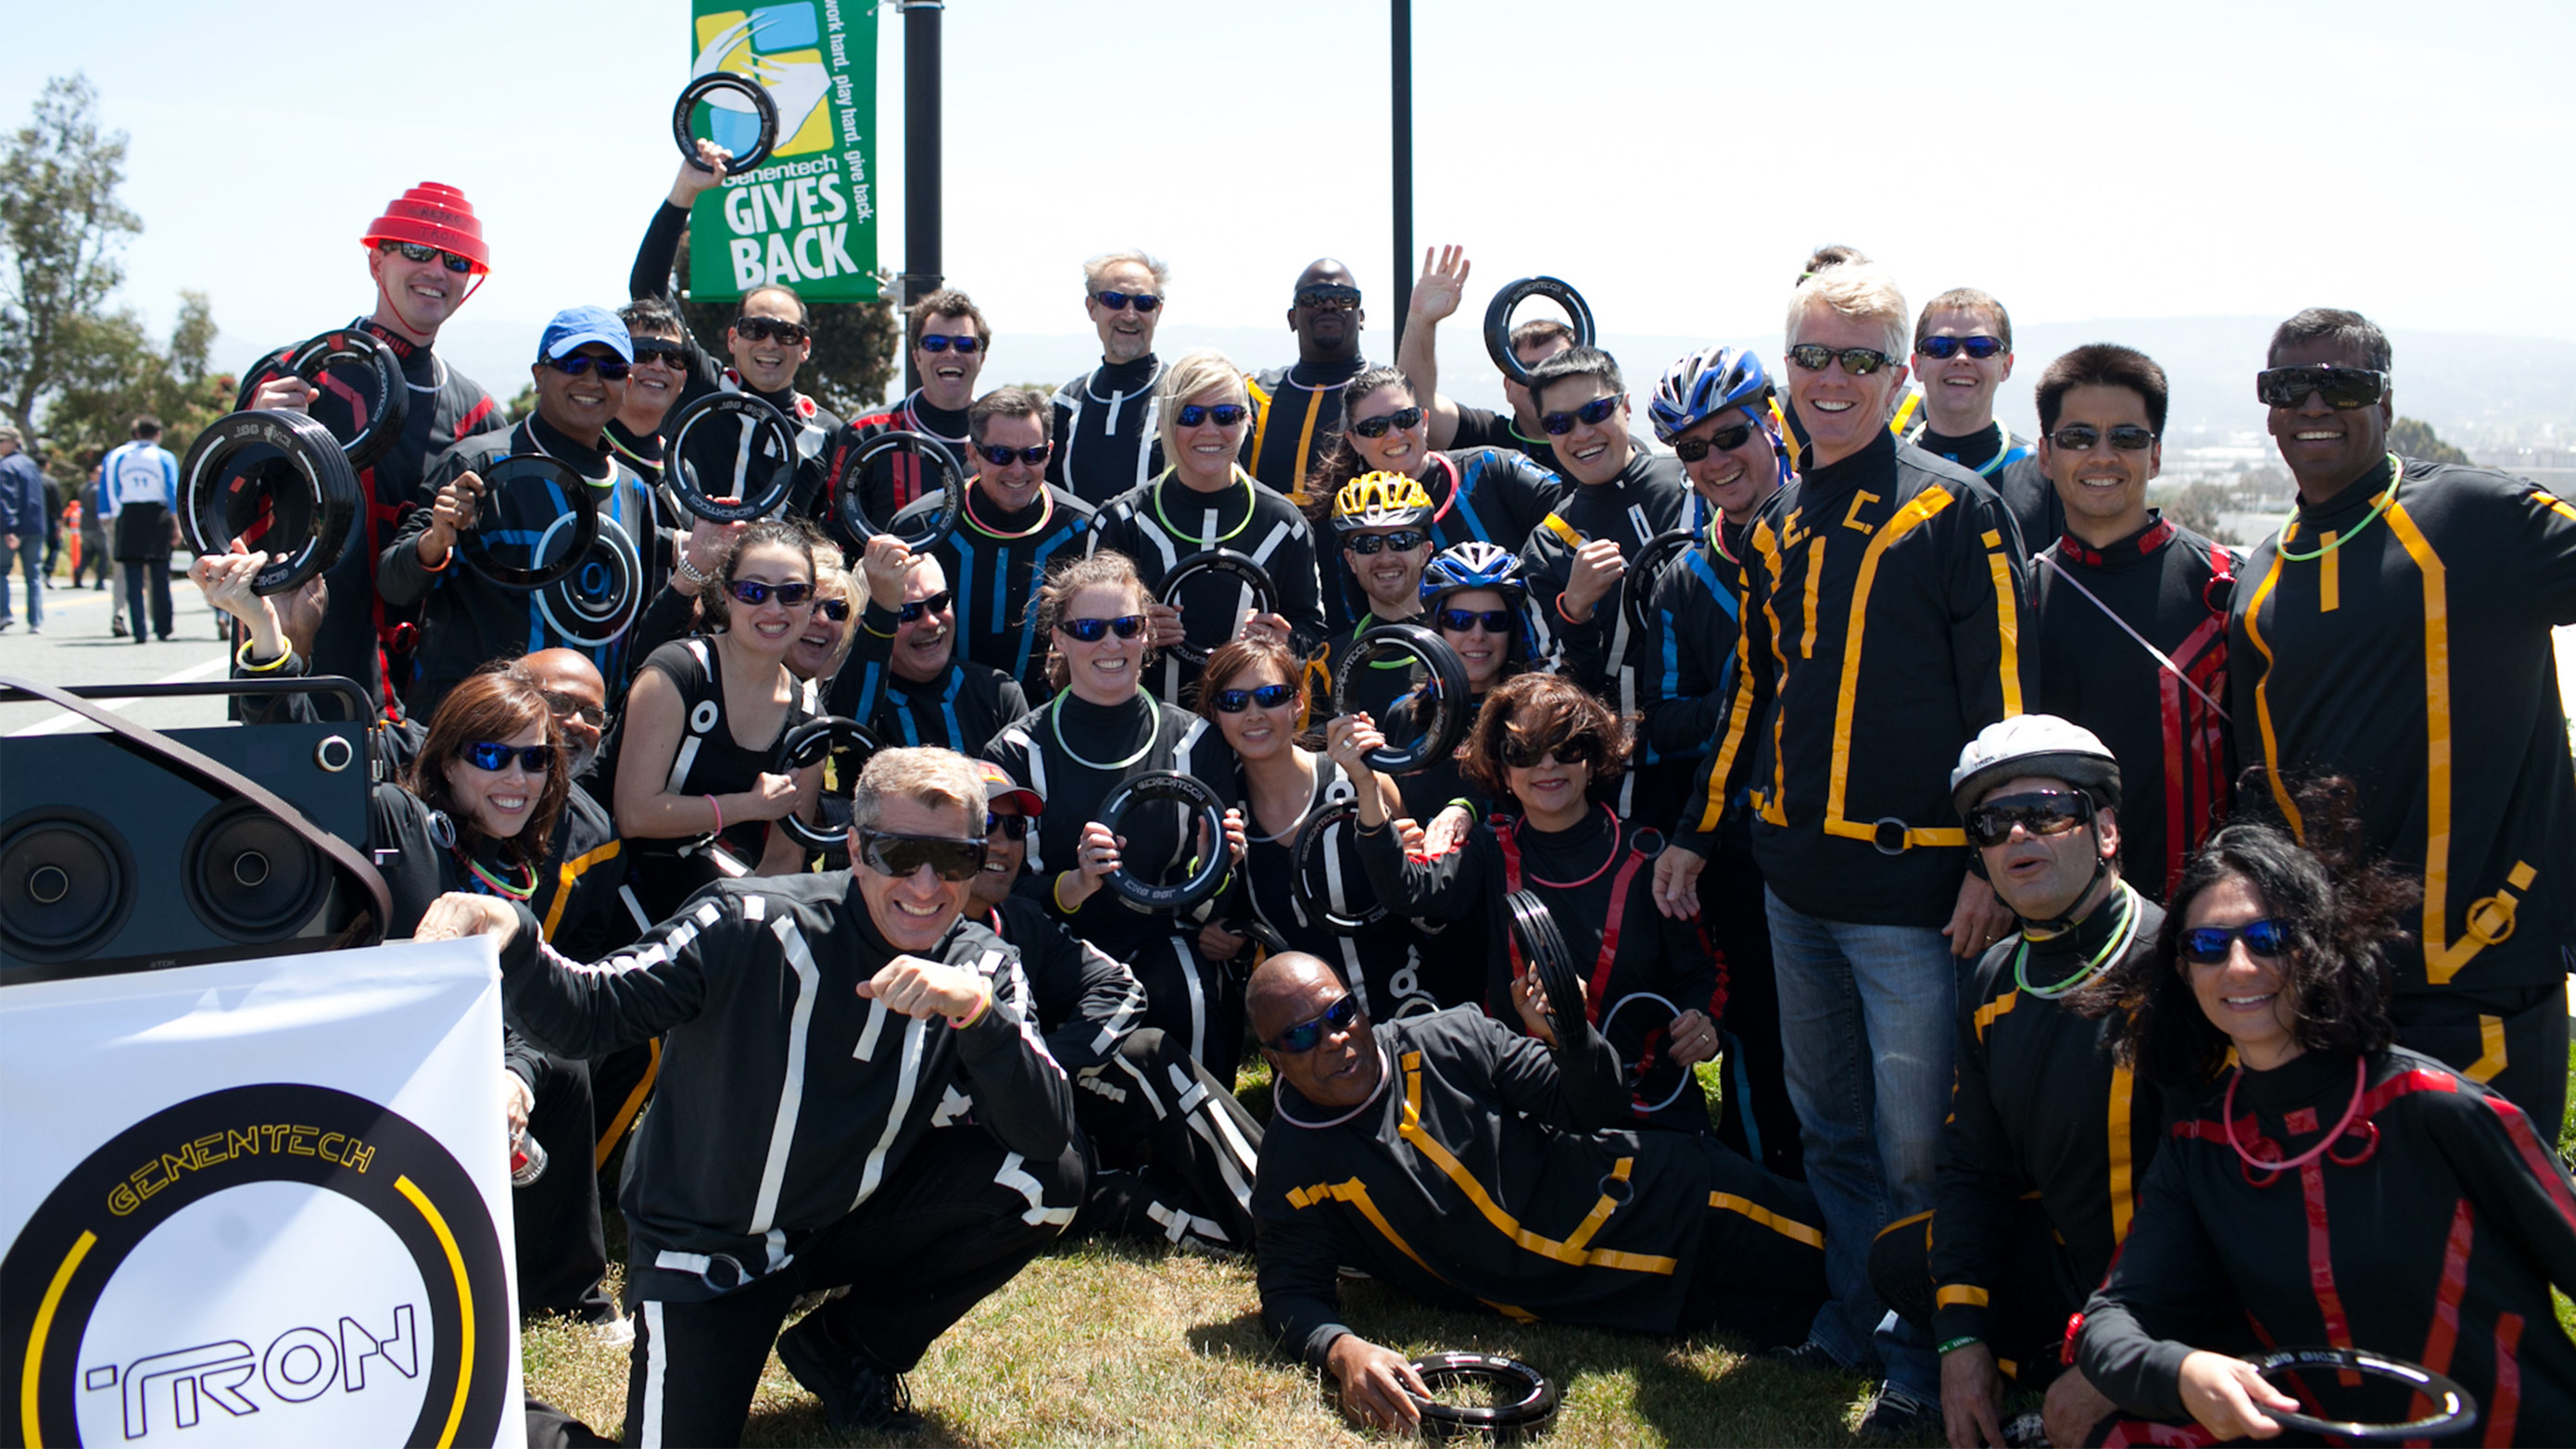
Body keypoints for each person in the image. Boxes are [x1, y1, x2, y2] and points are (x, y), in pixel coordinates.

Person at [414, 746, 1085, 1443]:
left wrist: (978, 1017)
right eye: (898, 852)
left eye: (952, 861)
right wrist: (513, 932)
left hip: (835, 1222)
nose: (924, 884)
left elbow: (1045, 1137)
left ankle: (847, 1347)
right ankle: (498, 1405)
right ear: (855, 848)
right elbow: (593, 1013)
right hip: (710, 1250)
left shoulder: (981, 965)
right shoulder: (750, 922)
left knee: (1048, 1181)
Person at [1656, 262, 2030, 1434]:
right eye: (1811, 358)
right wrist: (1692, 836)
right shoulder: (1773, 529)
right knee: (1831, 1129)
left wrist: (1989, 860)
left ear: (1897, 371)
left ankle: (1930, 1348)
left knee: (1922, 1146)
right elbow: (1749, 703)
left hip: (1913, 894)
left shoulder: (1952, 509)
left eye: (1858, 359)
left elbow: (2006, 703)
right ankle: (1853, 1314)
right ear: (1785, 374)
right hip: (1789, 886)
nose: (1832, 380)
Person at [2074, 811, 2576, 1445]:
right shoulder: (2201, 1145)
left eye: (2270, 938)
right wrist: (2182, 1370)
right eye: (2207, 945)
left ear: (2318, 947)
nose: (2238, 966)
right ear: (2183, 970)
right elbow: (2112, 1320)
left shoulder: (2434, 1106)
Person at [2228, 307, 2576, 1138]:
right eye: (2288, 386)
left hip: (2481, 973)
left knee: (2487, 1246)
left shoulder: (2475, 516)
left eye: (2340, 384)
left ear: (2385, 399)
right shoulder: (2264, 572)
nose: (2313, 405)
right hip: (2330, 979)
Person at [1249, 951, 1826, 1432]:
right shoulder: (1292, 1161)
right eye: (1301, 1036)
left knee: (1844, 1258)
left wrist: (1569, 1036)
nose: (1333, 1039)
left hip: (1677, 1203)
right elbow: (1289, 1291)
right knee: (1804, 1325)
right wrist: (1343, 1349)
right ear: (1273, 1059)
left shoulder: (1449, 1039)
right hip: (1616, 1298)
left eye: (1341, 1012)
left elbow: (1597, 1109)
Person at [1865, 717, 2159, 1447]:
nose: (2018, 837)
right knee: (1905, 1261)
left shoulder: (2184, 965)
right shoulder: (1995, 979)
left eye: (2047, 812)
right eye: (1994, 824)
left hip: (2192, 1291)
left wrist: (2118, 1363)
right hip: (2078, 1272)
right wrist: (1959, 1348)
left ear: (2107, 830)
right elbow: (1974, 1172)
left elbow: (2226, 1198)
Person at [1339, 672, 1721, 1132]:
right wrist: (1365, 783)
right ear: (1500, 769)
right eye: (1523, 753)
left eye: (1566, 748)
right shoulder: (1490, 849)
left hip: (1644, 1107)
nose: (1547, 766)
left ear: (1594, 756)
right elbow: (1407, 890)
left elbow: (1705, 971)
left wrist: (1705, 1020)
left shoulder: (1650, 859)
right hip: (1530, 1108)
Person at [963, 759, 1264, 1254]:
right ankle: (1288, 1223)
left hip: (1045, 1112)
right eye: (983, 825)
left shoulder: (1019, 917)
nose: (1001, 842)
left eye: (1015, 827)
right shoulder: (914, 929)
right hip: (968, 1146)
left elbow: (1120, 989)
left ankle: (1284, 1205)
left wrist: (1038, 1069)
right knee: (1117, 1195)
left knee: (1147, 1052)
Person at [981, 552, 1250, 1077]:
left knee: (1190, 993)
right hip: (1052, 945)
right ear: (1058, 639)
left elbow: (1216, 897)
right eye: (1088, 629)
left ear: (1148, 634)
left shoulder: (1196, 742)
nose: (1110, 644)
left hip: (1162, 936)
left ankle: (1199, 1148)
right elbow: (991, 885)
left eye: (1126, 627)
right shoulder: (1015, 752)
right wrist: (1074, 885)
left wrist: (1215, 865)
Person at [1636, 346, 1800, 1179]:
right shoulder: (1684, 581)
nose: (1714, 461)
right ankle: (1771, 1202)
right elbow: (1661, 726)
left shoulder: (1837, 543)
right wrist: (1755, 681)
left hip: (1844, 837)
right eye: (1691, 450)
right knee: (1758, 1033)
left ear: (1773, 422)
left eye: (1730, 435)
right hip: (1737, 847)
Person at [246, 182, 499, 714]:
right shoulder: (293, 374)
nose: (435, 269)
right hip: (298, 666)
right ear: (376, 261)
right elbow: (216, 518)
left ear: (470, 281)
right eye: (415, 251)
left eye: (455, 260)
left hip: (431, 692)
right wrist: (256, 435)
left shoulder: (478, 412)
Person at [378, 307, 663, 716]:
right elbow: (394, 584)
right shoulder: (478, 463)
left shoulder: (636, 490)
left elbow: (633, 628)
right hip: (475, 742)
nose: (591, 379)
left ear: (628, 383)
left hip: (581, 746)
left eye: (611, 368)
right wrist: (435, 541)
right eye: (574, 362)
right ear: (539, 375)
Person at [2027, 344, 2235, 903]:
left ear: (2157, 455)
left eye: (2126, 438)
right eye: (2077, 438)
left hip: (2197, 926)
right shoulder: (2021, 599)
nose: (2101, 456)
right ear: (2046, 455)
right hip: (2055, 921)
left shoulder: (2225, 587)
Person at [1201, 636, 1461, 1019]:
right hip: (1312, 1037)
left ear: (1298, 703)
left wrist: (1410, 855)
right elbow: (1230, 917)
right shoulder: (1226, 814)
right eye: (1234, 702)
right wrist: (1219, 932)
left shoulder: (1357, 779)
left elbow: (1420, 894)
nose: (1253, 713)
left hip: (1408, 1003)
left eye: (1271, 695)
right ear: (1216, 714)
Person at [1512, 346, 1702, 821]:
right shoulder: (1549, 544)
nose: (1581, 434)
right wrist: (1573, 611)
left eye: (1595, 411)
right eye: (1559, 424)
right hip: (1624, 779)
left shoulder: (1696, 480)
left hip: (1729, 744)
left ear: (1627, 405)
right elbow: (1557, 690)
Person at [612, 520, 827, 921]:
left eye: (793, 593)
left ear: (812, 603)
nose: (774, 608)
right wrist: (747, 806)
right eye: (754, 591)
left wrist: (727, 941)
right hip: (617, 893)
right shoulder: (677, 672)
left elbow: (783, 860)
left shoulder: (809, 720)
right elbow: (634, 813)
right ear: (727, 597)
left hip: (717, 914)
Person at [1091, 349, 1327, 698]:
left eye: (1226, 415)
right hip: (1145, 725)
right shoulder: (1123, 520)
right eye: (1191, 415)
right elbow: (1087, 633)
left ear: (1248, 421)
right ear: (1166, 422)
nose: (1210, 430)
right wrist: (1134, 631)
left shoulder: (1284, 524)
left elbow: (1311, 630)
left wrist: (1283, 642)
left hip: (1250, 728)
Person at [631, 142, 843, 515]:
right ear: (733, 339)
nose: (770, 342)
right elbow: (648, 294)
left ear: (805, 347)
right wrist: (684, 193)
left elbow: (830, 527)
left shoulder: (827, 431)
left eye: (786, 333)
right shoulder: (703, 384)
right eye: (755, 329)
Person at [1300, 365, 1565, 628]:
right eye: (1373, 428)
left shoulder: (1491, 467)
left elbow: (1576, 513)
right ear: (1354, 441)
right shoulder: (1351, 519)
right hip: (1421, 664)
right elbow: (1352, 625)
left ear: (1424, 421)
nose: (1394, 434)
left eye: (1405, 419)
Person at [890, 385, 1099, 699]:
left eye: (1032, 454)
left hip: (1045, 722)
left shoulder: (1081, 529)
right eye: (1001, 455)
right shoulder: (922, 526)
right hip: (941, 718)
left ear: (1050, 453)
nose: (1017, 469)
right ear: (972, 454)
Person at [1395, 244, 1619, 474]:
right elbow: (1415, 406)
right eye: (1530, 369)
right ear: (1508, 386)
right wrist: (1421, 320)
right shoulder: (1485, 437)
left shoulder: (1609, 444)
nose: (1544, 379)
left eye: (1556, 365)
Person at [832, 534, 1030, 755]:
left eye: (939, 602)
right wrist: (882, 612)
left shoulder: (998, 694)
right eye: (908, 612)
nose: (930, 621)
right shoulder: (860, 700)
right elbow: (842, 739)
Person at [827, 289, 992, 541]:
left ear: (981, 357)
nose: (951, 353)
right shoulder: (865, 432)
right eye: (935, 344)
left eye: (965, 345)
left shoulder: (1004, 439)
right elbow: (835, 533)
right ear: (916, 357)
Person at [1904, 289, 2052, 551]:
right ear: (1917, 365)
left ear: (2006, 365)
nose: (1961, 359)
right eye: (1940, 347)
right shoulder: (1886, 472)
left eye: (1981, 348)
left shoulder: (2046, 477)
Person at [1244, 260, 1375, 498]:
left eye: (1344, 298)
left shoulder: (1386, 395)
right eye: (1312, 298)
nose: (1328, 305)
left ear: (1361, 317)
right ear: (1292, 319)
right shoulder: (1254, 396)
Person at [1049, 249, 1170, 507]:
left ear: (1158, 311)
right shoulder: (1067, 402)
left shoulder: (1181, 396)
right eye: (1114, 301)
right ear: (1092, 308)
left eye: (1144, 303)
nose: (1129, 315)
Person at [1307, 471, 1437, 707]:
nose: (1386, 557)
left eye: (1402, 541)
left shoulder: (1462, 643)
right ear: (1350, 559)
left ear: (1425, 552)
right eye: (1368, 544)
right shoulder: (1326, 665)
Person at [96, 417, 179, 643]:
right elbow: (172, 491)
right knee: (160, 575)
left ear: (136, 434)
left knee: (133, 576)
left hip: (130, 514)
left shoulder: (120, 457)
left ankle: (139, 630)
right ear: (158, 434)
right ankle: (163, 627)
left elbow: (112, 487)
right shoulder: (164, 456)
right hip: (157, 515)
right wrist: (177, 525)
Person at [602, 297, 693, 494]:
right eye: (643, 352)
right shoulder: (589, 455)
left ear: (683, 378)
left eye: (673, 357)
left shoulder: (682, 469)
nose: (658, 366)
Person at [0, 424, 51, 635]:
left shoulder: (5, 467)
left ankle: (4, 614)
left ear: (14, 442)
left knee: (2, 571)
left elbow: (6, 499)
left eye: (2, 441)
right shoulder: (31, 464)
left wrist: (9, 528)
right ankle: (35, 620)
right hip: (36, 527)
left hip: (13, 529)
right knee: (34, 574)